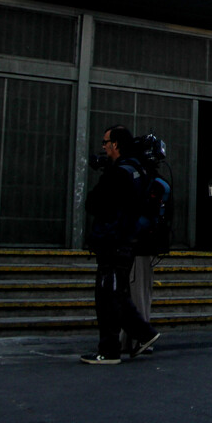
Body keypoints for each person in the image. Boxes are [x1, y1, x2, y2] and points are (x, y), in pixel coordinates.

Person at [82, 124, 160, 365]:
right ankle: (121, 342)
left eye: (106, 142)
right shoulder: (138, 171)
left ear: (115, 145)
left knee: (109, 296)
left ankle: (116, 346)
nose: (104, 147)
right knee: (113, 294)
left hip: (113, 241)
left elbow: (95, 204)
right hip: (125, 241)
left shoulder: (118, 173)